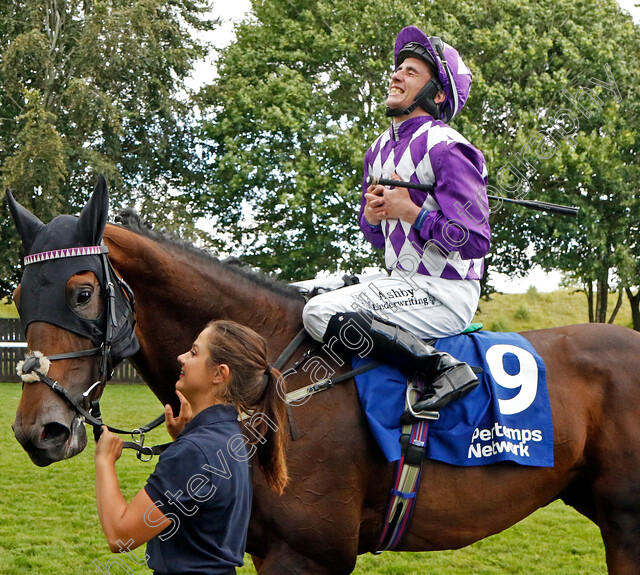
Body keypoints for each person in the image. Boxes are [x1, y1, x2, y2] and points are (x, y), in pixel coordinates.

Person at [302, 26, 491, 415]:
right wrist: (373, 217)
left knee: (318, 313)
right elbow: (379, 236)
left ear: (437, 94)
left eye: (411, 72)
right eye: (399, 68)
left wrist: (414, 213)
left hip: (445, 292)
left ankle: (443, 369)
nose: (396, 75)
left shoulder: (450, 148)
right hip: (399, 281)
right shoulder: (378, 150)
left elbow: (474, 240)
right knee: (293, 294)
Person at [94, 320, 288, 575]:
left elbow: (120, 536)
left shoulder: (196, 451)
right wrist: (184, 438)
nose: (181, 357)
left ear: (219, 373)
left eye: (194, 353)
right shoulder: (231, 438)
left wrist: (104, 462)